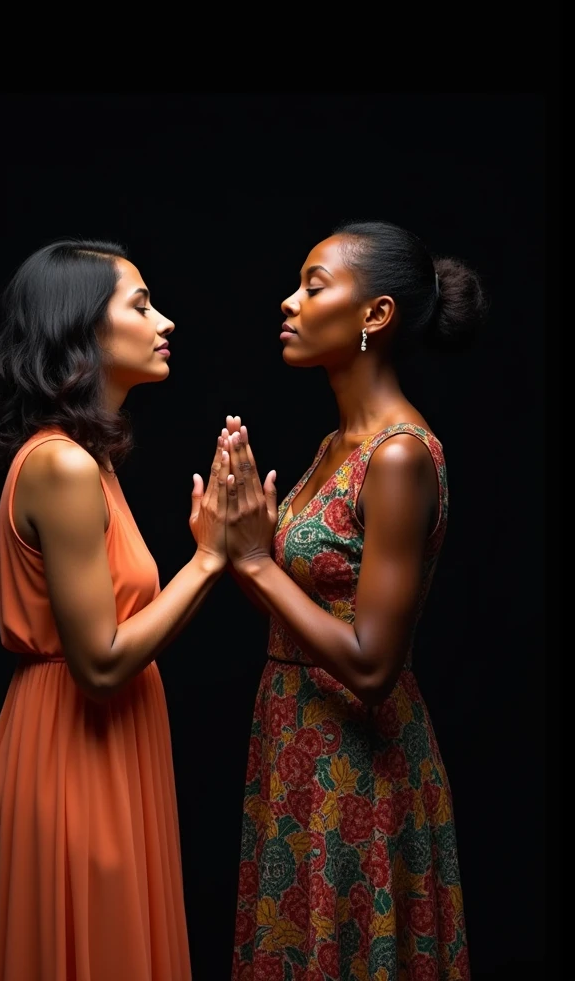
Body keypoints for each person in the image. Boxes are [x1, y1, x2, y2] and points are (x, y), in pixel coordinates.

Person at [225, 220, 487, 981]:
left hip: (357, 763)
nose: (289, 301)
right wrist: (229, 547)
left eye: (313, 286)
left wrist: (254, 560)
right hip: (290, 741)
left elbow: (373, 665)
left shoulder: (399, 455)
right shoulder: (335, 444)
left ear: (375, 314)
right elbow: (298, 622)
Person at [0, 238, 230, 981]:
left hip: (107, 751)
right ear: (79, 327)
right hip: (69, 763)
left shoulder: (91, 457)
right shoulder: (63, 465)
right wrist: (211, 559)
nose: (165, 321)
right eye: (141, 305)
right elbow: (102, 662)